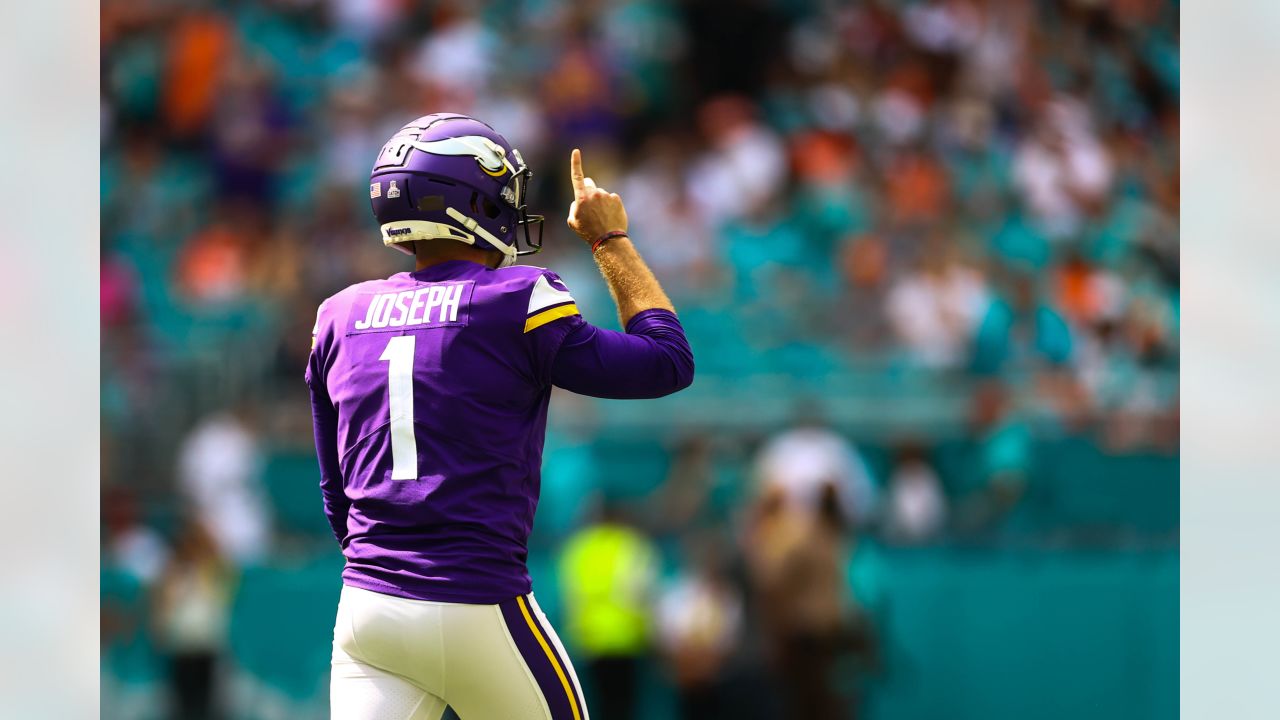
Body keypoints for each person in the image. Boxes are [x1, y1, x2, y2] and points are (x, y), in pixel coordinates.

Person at [306, 113, 694, 720]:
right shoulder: (515, 298)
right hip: (476, 600)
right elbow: (666, 361)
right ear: (470, 202)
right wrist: (609, 239)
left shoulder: (339, 314)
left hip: (366, 608)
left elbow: (336, 492)